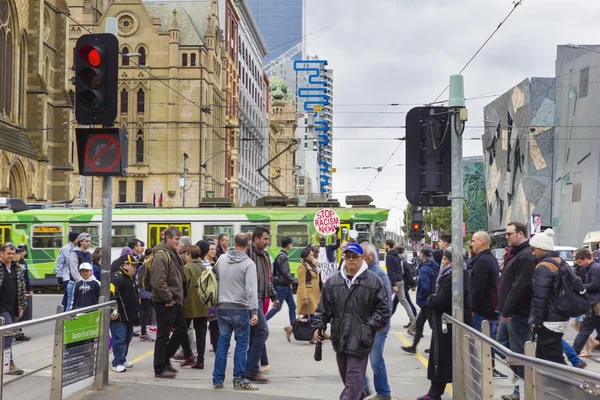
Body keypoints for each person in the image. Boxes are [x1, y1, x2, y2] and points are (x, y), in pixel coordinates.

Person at [312, 242, 390, 400]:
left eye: (355, 256)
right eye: (348, 256)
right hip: (340, 340)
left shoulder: (374, 281)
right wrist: (318, 326)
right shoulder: (333, 282)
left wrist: (368, 327)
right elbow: (323, 309)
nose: (351, 259)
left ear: (362, 258)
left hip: (361, 342)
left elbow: (383, 310)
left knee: (351, 386)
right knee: (352, 384)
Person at [419, 248, 472, 400]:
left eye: (445, 259)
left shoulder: (454, 276)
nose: (442, 262)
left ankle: (435, 393)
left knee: (442, 358)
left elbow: (440, 301)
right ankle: (434, 392)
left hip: (448, 325)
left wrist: (431, 299)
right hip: (447, 324)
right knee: (443, 358)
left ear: (452, 261)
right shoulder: (454, 274)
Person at [212, 233, 260, 391]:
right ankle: (239, 380)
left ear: (233, 243)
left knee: (222, 344)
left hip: (222, 306)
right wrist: (254, 312)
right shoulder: (249, 264)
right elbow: (251, 290)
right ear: (248, 245)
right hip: (240, 308)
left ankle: (217, 379)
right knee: (241, 345)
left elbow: (215, 278)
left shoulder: (222, 259)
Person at [496, 222, 535, 400]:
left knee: (518, 352)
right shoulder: (516, 254)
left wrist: (507, 310)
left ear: (520, 234)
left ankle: (522, 390)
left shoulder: (526, 256)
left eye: (509, 234)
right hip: (510, 311)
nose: (507, 237)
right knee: (502, 345)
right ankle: (521, 385)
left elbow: (520, 286)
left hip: (517, 312)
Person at [151, 226, 193, 379]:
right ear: (168, 238)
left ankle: (166, 359)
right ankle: (160, 368)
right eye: (176, 239)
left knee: (182, 330)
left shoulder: (172, 253)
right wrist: (168, 298)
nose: (178, 242)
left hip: (175, 300)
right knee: (163, 336)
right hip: (166, 302)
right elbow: (158, 281)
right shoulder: (161, 256)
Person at [529, 228, 575, 364]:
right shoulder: (560, 262)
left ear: (542, 248)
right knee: (544, 358)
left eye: (534, 249)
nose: (532, 252)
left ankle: (570, 384)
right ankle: (546, 384)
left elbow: (540, 296)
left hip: (549, 320)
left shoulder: (544, 266)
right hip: (560, 315)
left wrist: (537, 321)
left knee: (553, 359)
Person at [245, 226, 278, 383]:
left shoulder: (265, 255)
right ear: (256, 239)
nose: (267, 242)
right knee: (263, 331)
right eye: (265, 239)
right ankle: (252, 369)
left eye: (268, 238)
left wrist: (273, 295)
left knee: (253, 335)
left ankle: (249, 368)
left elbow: (268, 278)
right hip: (251, 299)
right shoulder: (247, 254)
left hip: (260, 297)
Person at [362, 242, 393, 400]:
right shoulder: (363, 272)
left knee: (375, 360)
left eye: (362, 256)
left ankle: (383, 393)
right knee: (357, 357)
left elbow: (387, 302)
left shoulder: (378, 274)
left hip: (377, 326)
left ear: (370, 258)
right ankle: (363, 387)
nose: (358, 259)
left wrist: (381, 323)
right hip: (365, 324)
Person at [468, 231, 503, 375]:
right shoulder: (490, 259)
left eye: (473, 241)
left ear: (482, 242)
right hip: (490, 307)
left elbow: (478, 287)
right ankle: (490, 368)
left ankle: (485, 370)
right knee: (489, 342)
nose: (471, 244)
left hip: (482, 310)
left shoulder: (482, 261)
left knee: (485, 343)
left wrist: (473, 307)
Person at [403, 246, 439, 351]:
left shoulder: (424, 269)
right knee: (419, 324)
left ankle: (436, 348)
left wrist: (421, 297)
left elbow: (425, 286)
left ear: (422, 254)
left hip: (427, 302)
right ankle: (414, 346)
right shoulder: (435, 266)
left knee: (434, 326)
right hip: (430, 300)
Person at [109, 256, 141, 373]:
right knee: (119, 339)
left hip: (130, 315)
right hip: (119, 315)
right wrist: (114, 310)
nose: (135, 268)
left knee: (127, 339)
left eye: (136, 266)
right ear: (125, 265)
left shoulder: (132, 278)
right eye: (133, 265)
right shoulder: (118, 277)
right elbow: (110, 294)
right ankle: (117, 362)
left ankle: (122, 359)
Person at [0, 243, 27, 375]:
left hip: (12, 307)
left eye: (13, 253)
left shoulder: (17, 268)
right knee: (8, 334)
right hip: (1, 308)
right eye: (8, 253)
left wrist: (21, 305)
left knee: (5, 335)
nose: (11, 256)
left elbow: (22, 288)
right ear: (1, 254)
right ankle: (8, 365)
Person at [182, 245, 209, 369]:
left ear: (189, 255)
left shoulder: (187, 268)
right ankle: (201, 360)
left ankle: (188, 355)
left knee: (182, 331)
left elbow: (184, 287)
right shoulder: (204, 267)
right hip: (203, 306)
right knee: (201, 334)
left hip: (189, 306)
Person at [287, 247, 321, 342]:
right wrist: (304, 297)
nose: (313, 256)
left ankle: (291, 328)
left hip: (314, 294)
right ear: (306, 256)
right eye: (310, 255)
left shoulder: (312, 265)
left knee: (309, 316)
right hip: (308, 294)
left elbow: (318, 271)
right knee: (313, 317)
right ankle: (313, 337)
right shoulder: (302, 267)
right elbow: (301, 283)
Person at [267, 237, 298, 339]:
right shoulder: (283, 256)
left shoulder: (282, 255)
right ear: (289, 244)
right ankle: (261, 322)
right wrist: (294, 281)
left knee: (292, 306)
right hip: (282, 285)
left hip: (285, 285)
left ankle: (293, 327)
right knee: (277, 307)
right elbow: (285, 272)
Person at [572, 248, 600, 355]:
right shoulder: (593, 268)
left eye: (580, 262)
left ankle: (574, 351)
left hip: (594, 302)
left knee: (585, 328)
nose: (580, 265)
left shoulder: (594, 269)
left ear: (585, 258)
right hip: (594, 302)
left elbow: (595, 285)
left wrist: (580, 286)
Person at [386, 239, 415, 327]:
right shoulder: (397, 256)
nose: (384, 246)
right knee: (404, 301)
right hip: (400, 280)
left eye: (385, 245)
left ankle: (383, 318)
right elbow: (399, 269)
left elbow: (391, 270)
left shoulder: (389, 256)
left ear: (388, 245)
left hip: (394, 281)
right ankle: (413, 319)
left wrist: (393, 284)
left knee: (384, 298)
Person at [67, 233, 92, 311]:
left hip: (86, 283)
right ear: (80, 242)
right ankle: (65, 323)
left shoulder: (88, 254)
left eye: (90, 241)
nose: (89, 243)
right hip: (74, 283)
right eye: (86, 241)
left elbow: (91, 270)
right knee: (71, 306)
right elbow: (74, 270)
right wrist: (82, 282)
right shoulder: (74, 253)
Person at [56, 231, 79, 311]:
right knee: (69, 295)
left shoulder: (78, 248)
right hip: (67, 276)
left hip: (75, 276)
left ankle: (63, 311)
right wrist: (59, 276)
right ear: (74, 239)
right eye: (78, 238)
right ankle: (66, 311)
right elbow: (60, 263)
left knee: (67, 295)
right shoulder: (65, 249)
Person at [137, 248, 155, 342]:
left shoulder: (152, 265)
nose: (152, 257)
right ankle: (143, 333)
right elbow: (140, 280)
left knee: (154, 311)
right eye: (151, 255)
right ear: (147, 256)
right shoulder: (143, 266)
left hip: (151, 293)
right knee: (145, 313)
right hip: (145, 293)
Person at [14, 245, 32, 341]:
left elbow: (24, 281)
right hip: (10, 298)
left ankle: (18, 334)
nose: (20, 255)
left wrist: (29, 289)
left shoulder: (20, 265)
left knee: (17, 316)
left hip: (17, 296)